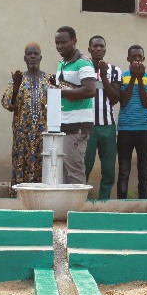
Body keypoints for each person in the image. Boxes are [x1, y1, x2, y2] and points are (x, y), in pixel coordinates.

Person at [2, 42, 52, 189]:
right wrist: (16, 87)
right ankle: (20, 202)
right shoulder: (17, 79)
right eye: (29, 54)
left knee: (44, 165)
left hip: (44, 134)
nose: (32, 56)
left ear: (41, 57)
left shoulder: (49, 79)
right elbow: (7, 104)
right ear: (24, 58)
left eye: (35, 54)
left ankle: (42, 202)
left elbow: (59, 102)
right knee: (21, 166)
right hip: (22, 134)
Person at [53, 26, 97, 184]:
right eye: (57, 43)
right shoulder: (61, 64)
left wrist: (61, 92)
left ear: (74, 41)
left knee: (75, 172)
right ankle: (66, 208)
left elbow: (91, 90)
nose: (59, 46)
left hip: (77, 126)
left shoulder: (83, 63)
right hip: (63, 125)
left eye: (63, 42)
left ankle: (76, 208)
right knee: (63, 174)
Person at [83, 35, 121, 200]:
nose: (98, 49)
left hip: (107, 126)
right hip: (86, 125)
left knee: (108, 169)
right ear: (89, 49)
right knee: (84, 166)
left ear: (105, 49)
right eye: (95, 46)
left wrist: (104, 76)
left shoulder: (114, 70)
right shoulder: (82, 69)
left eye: (101, 46)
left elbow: (114, 99)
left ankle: (103, 202)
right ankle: (80, 202)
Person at [116, 45, 147, 199]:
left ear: (143, 59)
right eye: (133, 57)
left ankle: (143, 202)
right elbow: (123, 101)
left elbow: (146, 103)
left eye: (139, 57)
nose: (137, 60)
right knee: (124, 169)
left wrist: (139, 78)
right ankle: (122, 203)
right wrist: (133, 77)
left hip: (144, 128)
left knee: (144, 170)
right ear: (128, 59)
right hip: (125, 129)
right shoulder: (122, 77)